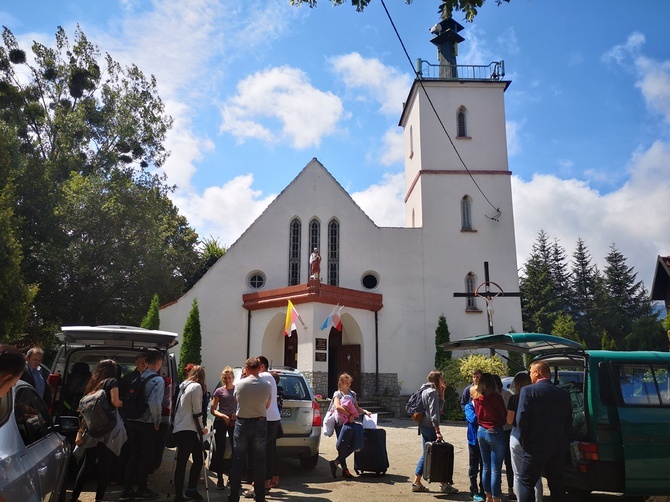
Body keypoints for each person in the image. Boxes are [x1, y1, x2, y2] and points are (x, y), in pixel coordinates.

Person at [516, 361, 572, 502]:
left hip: (535, 446)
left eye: (530, 372)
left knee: (526, 482)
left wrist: (524, 440)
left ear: (537, 373)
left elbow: (521, 419)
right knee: (556, 483)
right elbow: (568, 420)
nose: (529, 375)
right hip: (558, 446)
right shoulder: (563, 394)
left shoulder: (528, 391)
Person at [71, 359, 126, 502]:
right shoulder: (112, 382)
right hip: (109, 429)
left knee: (87, 464)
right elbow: (115, 402)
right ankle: (99, 498)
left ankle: (74, 496)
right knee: (105, 465)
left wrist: (80, 431)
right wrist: (122, 402)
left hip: (93, 429)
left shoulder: (93, 384)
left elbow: (85, 412)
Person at [120, 350, 165, 501]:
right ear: (158, 362)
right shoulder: (158, 380)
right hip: (146, 423)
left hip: (132, 421)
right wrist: (157, 422)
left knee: (134, 455)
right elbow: (155, 404)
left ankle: (127, 489)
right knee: (145, 457)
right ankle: (142, 488)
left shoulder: (139, 377)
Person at [228, 357, 272, 502]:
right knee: (259, 461)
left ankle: (234, 496)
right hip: (260, 422)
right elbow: (267, 404)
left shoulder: (240, 384)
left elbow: (236, 400)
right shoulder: (266, 385)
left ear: (246, 369)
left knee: (238, 460)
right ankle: (260, 497)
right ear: (259, 368)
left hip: (242, 422)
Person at [411, 370, 458, 494]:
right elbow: (434, 413)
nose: (443, 381)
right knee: (435, 453)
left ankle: (417, 482)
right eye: (441, 379)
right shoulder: (431, 392)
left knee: (427, 452)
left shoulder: (423, 389)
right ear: (437, 379)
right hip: (430, 426)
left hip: (423, 425)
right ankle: (442, 484)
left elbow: (439, 407)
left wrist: (442, 392)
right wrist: (437, 430)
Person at [173, 364, 208, 502]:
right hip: (189, 429)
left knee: (197, 458)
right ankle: (181, 494)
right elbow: (197, 410)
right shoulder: (197, 387)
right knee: (187, 461)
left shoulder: (183, 385)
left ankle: (188, 490)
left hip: (180, 426)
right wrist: (202, 428)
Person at [507, 371, 542, 502]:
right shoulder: (536, 397)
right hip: (534, 435)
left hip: (516, 435)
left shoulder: (514, 399)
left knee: (518, 474)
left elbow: (510, 420)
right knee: (536, 475)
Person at [329, 373, 371, 480]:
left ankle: (336, 463)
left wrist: (365, 411)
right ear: (341, 383)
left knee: (355, 444)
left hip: (350, 423)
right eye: (346, 383)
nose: (348, 385)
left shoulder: (353, 394)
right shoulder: (337, 394)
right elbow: (338, 407)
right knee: (342, 447)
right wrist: (350, 414)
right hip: (340, 424)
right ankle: (345, 469)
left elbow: (356, 407)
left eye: (349, 383)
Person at [473, 372, 507, 502]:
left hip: (481, 431)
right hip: (495, 431)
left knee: (485, 467)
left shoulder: (477, 398)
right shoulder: (496, 397)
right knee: (496, 468)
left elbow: (477, 415)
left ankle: (487, 496)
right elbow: (503, 417)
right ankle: (496, 497)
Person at [254, 356, 282, 496]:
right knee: (269, 451)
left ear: (263, 366)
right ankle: (266, 483)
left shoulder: (265, 376)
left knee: (263, 452)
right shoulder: (268, 377)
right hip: (272, 418)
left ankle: (263, 483)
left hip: (268, 419)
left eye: (256, 365)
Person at [210, 366, 236, 490]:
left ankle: (232, 477)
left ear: (233, 378)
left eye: (229, 378)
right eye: (225, 378)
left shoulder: (237, 391)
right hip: (220, 421)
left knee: (235, 450)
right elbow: (213, 410)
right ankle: (220, 478)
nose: (227, 380)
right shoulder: (219, 391)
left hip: (233, 422)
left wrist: (235, 415)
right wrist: (223, 416)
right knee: (220, 450)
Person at [493, 374, 515, 501]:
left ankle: (510, 488)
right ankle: (498, 490)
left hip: (506, 430)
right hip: (499, 430)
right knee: (498, 462)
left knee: (508, 461)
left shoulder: (506, 394)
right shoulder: (492, 395)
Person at [465, 386, 485, 502]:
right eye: (477, 392)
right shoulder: (469, 406)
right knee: (473, 467)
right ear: (472, 395)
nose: (480, 394)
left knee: (484, 466)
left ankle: (484, 489)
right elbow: (472, 419)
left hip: (484, 440)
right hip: (473, 441)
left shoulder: (483, 404)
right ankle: (474, 490)